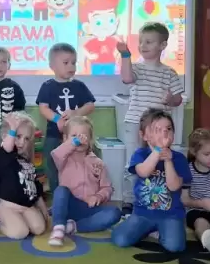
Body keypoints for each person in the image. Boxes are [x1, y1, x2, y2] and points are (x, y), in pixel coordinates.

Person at [117, 22, 184, 214]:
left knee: (157, 161)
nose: (143, 45)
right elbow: (127, 78)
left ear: (163, 45)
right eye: (141, 42)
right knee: (133, 162)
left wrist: (171, 99)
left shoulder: (169, 73)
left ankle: (153, 198)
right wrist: (125, 55)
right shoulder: (137, 68)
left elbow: (178, 99)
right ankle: (129, 202)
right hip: (135, 123)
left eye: (149, 42)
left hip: (159, 128)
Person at [112, 109, 192, 252]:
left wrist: (168, 160)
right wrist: (157, 151)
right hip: (142, 213)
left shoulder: (179, 158)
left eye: (168, 129)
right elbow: (143, 172)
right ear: (144, 135)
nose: (164, 133)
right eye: (158, 129)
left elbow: (174, 186)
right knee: (120, 239)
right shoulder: (140, 154)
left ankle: (158, 232)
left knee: (175, 247)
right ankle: (145, 228)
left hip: (171, 215)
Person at [48, 116, 121, 246]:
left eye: (83, 136)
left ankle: (72, 227)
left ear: (90, 140)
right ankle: (58, 227)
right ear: (65, 139)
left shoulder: (98, 163)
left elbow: (107, 188)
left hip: (88, 209)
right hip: (68, 206)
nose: (79, 139)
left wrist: (98, 196)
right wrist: (74, 142)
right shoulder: (63, 159)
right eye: (74, 136)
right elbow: (55, 154)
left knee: (114, 213)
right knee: (61, 190)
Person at [37, 42, 96, 193]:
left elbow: (90, 105)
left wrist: (76, 113)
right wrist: (58, 119)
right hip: (54, 135)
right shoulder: (47, 86)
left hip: (78, 135)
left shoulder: (79, 86)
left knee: (77, 163)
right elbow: (43, 108)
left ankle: (79, 192)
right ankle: (57, 193)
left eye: (73, 63)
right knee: (51, 164)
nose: (71, 66)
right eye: (65, 63)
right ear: (52, 66)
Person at [0, 112, 50, 239]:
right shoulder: (4, 156)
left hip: (26, 206)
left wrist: (43, 209)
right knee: (20, 232)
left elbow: (36, 187)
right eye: (18, 136)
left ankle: (20, 219)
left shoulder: (26, 162)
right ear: (5, 136)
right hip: (8, 206)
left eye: (27, 138)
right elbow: (7, 147)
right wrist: (12, 128)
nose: (22, 142)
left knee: (39, 228)